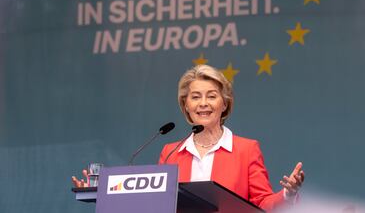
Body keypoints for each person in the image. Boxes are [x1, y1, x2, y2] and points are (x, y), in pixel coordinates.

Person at [72, 64, 305, 211]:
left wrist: (288, 193)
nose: (203, 103)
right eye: (195, 97)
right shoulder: (171, 152)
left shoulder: (246, 149)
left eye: (211, 96)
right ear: (186, 105)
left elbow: (262, 203)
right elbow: (152, 203)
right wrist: (98, 192)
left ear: (224, 104)